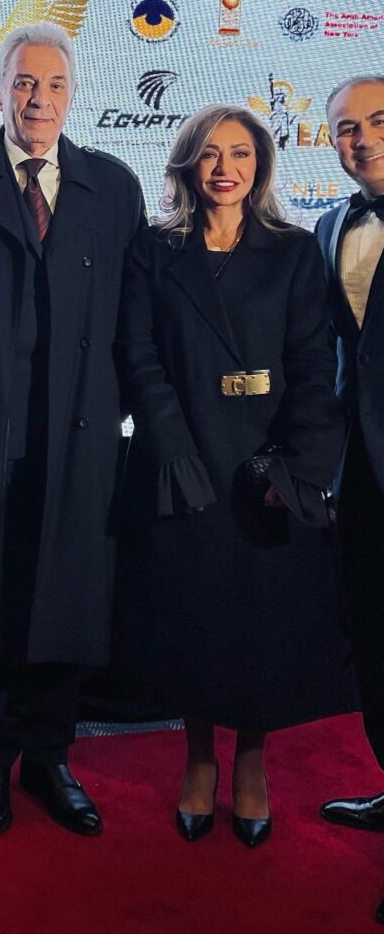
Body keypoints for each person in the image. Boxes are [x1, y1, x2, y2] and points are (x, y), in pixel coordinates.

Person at [0, 22, 145, 837]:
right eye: (24, 82)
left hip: (79, 428)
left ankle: (50, 755)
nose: (39, 99)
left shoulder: (113, 187)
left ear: (72, 95)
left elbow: (133, 323)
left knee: (67, 590)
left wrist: (120, 421)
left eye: (54, 84)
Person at [115, 104, 351, 848]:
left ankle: (251, 761)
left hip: (265, 466)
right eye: (211, 154)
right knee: (193, 620)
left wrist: (299, 468)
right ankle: (198, 760)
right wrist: (173, 449)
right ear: (188, 163)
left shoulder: (294, 250)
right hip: (183, 458)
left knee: (260, 624)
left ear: (261, 165)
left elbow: (314, 367)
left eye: (241, 154)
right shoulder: (154, 249)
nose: (225, 169)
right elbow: (140, 358)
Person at [316, 78, 384, 856]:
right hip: (359, 474)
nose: (361, 138)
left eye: (377, 121)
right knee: (373, 637)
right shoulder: (331, 226)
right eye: (345, 127)